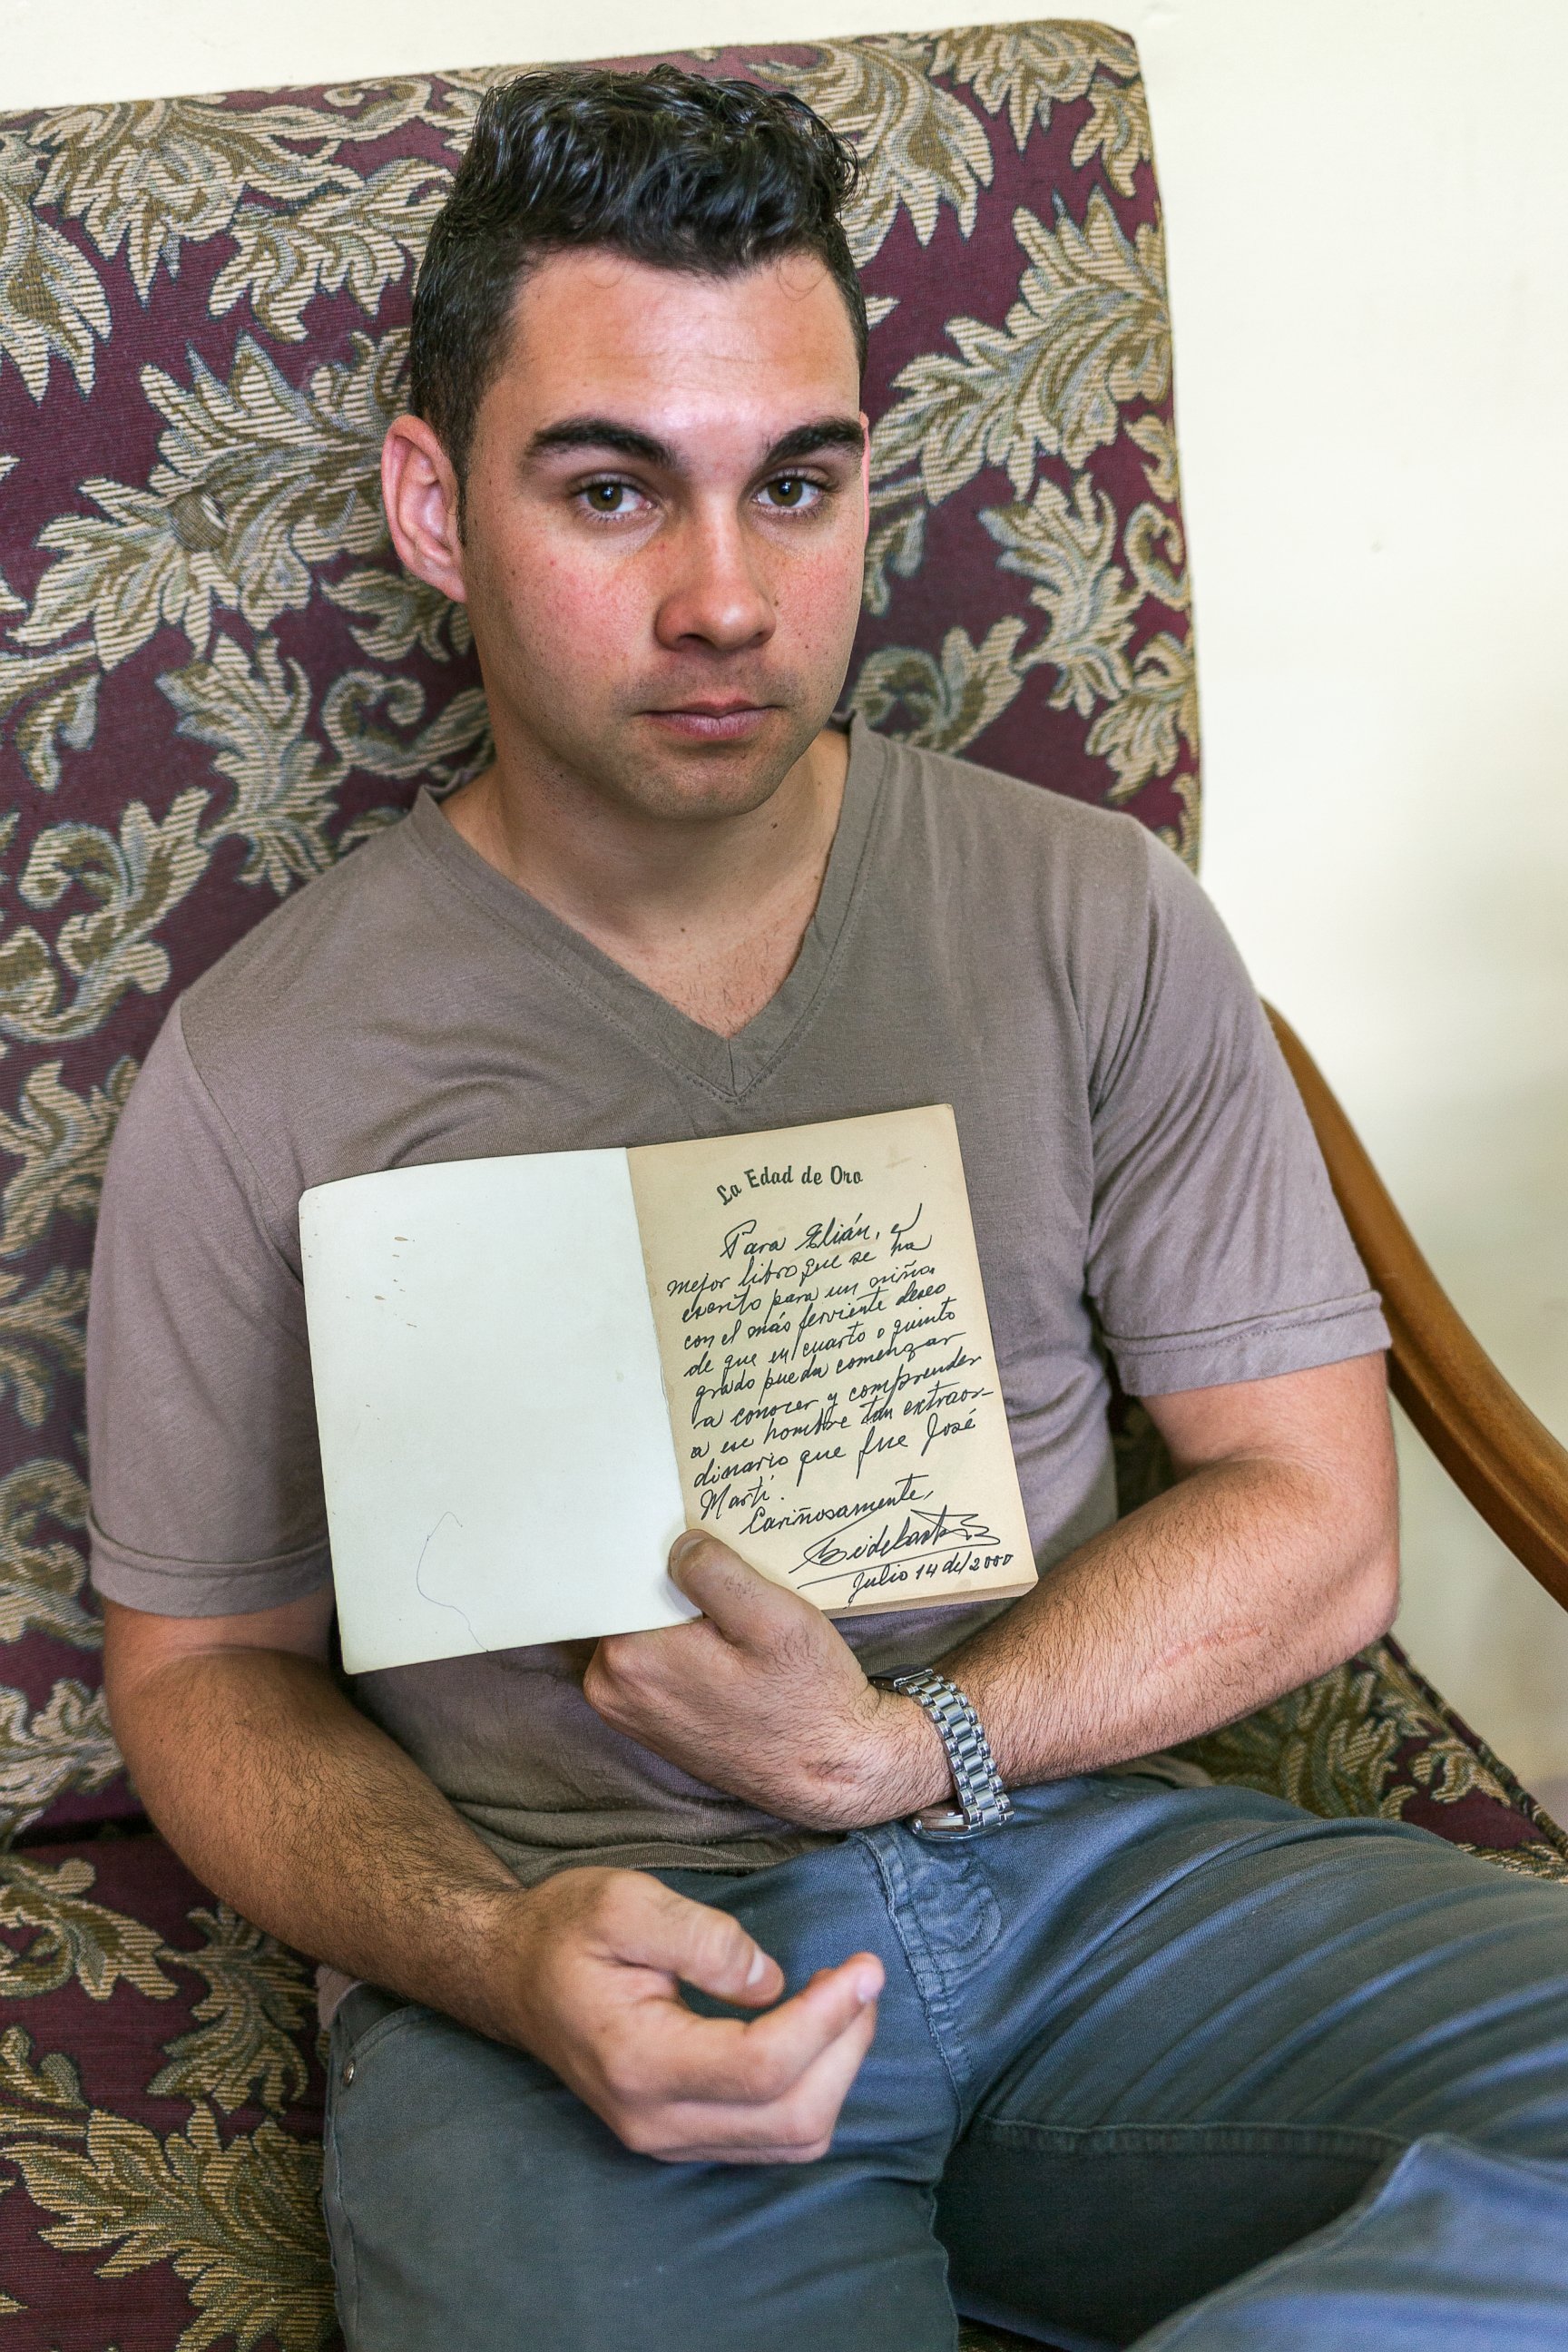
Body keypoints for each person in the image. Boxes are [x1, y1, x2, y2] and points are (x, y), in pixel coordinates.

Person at [87, 65, 1568, 2352]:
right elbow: (204, 1685)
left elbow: (1316, 1512)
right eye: (610, 490)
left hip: (1087, 1885)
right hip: (589, 1970)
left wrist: (914, 1749)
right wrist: (495, 1953)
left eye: (799, 484)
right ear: (434, 505)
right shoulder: (266, 1061)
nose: (723, 597)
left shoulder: (1092, 913)